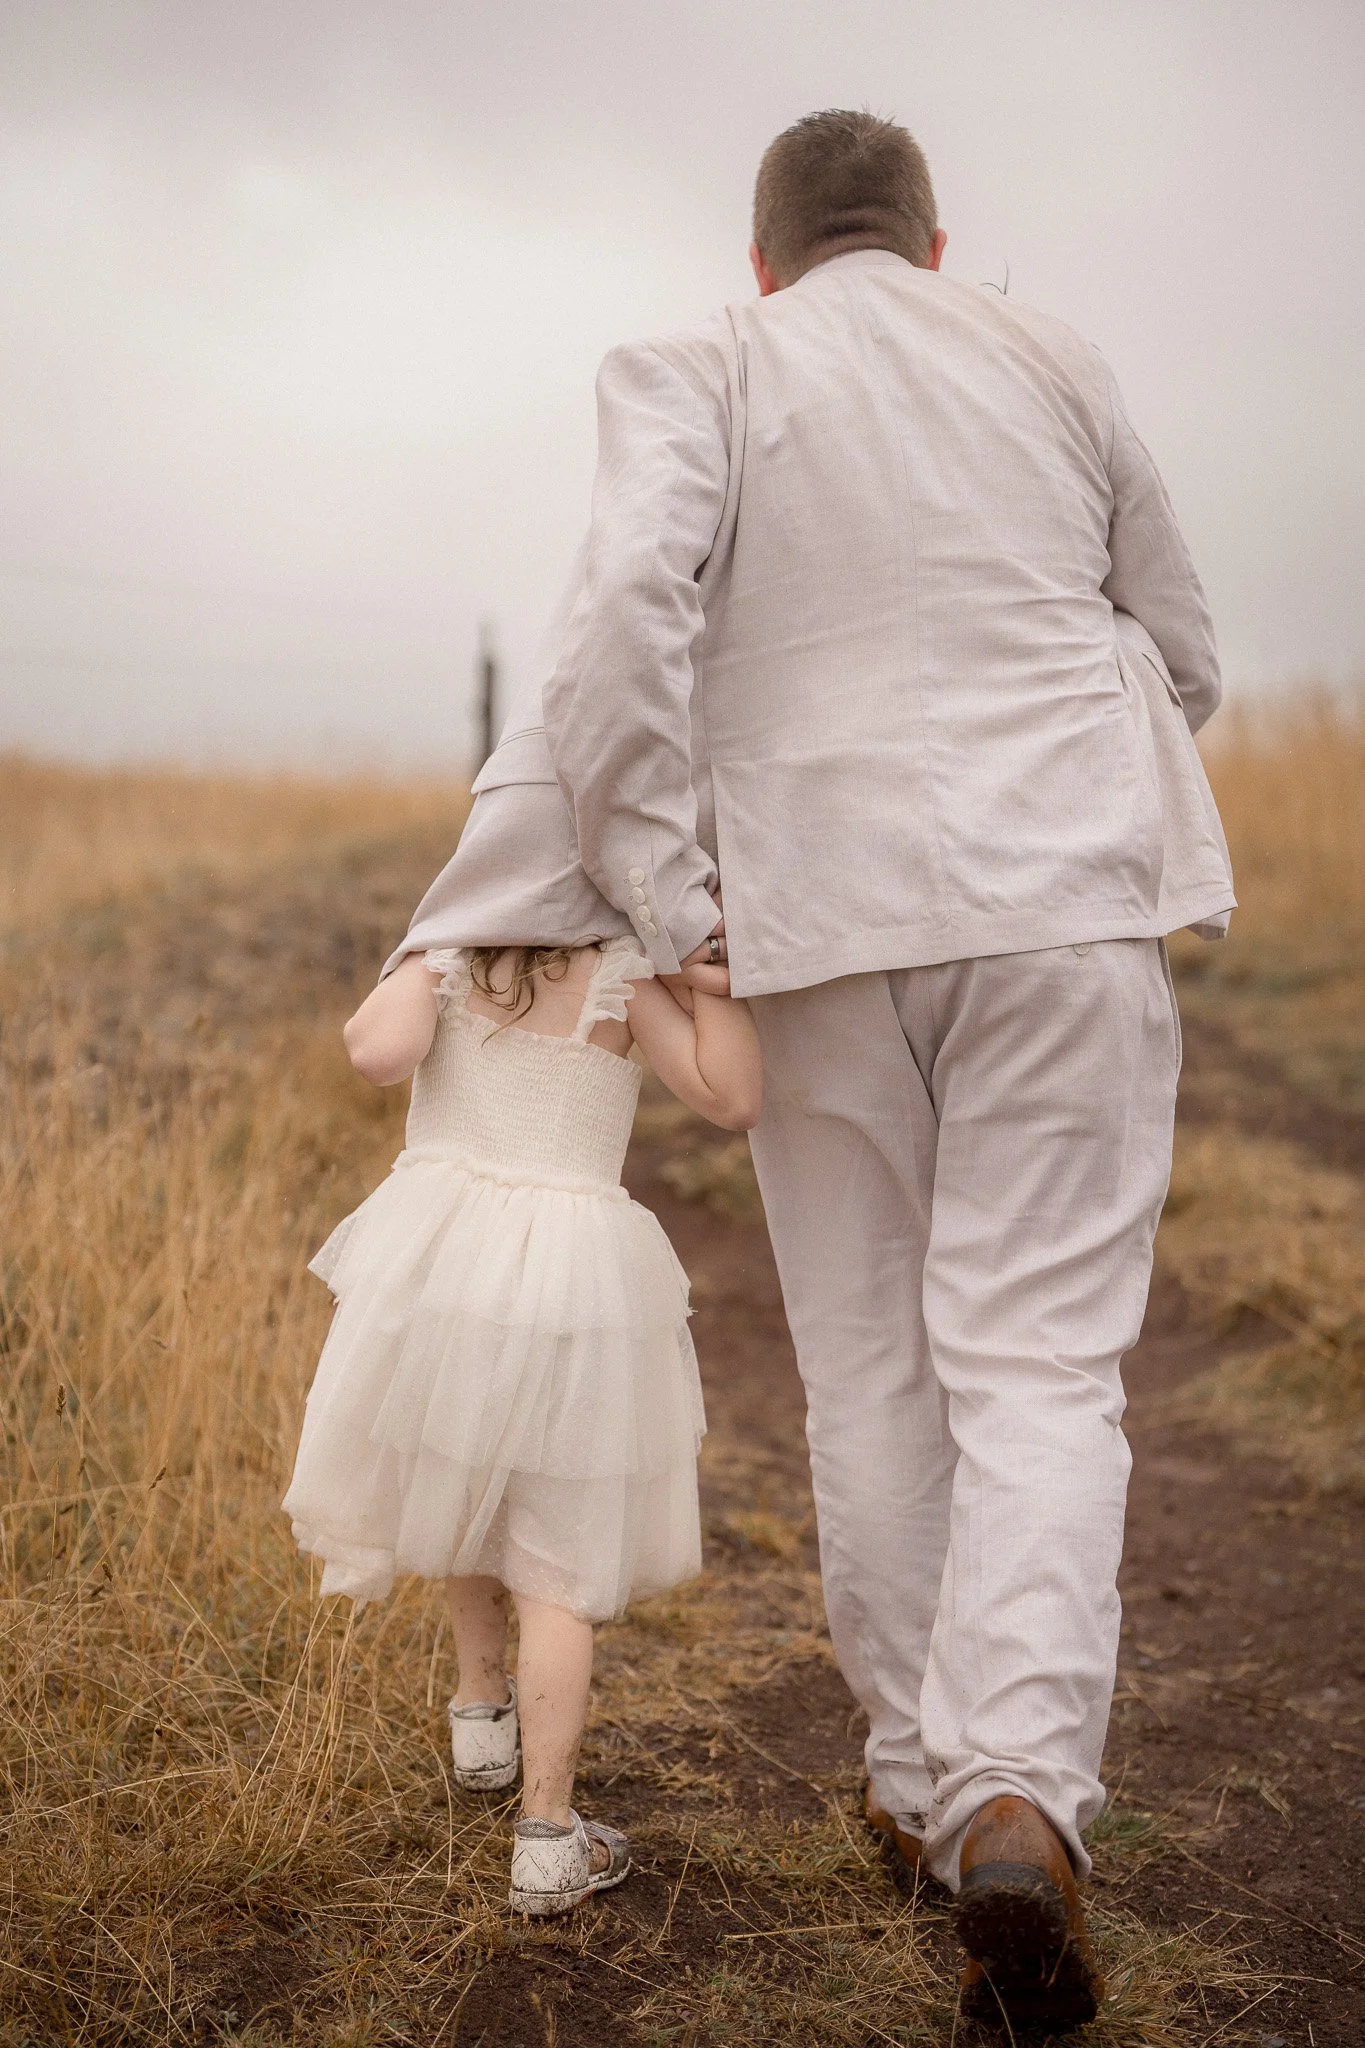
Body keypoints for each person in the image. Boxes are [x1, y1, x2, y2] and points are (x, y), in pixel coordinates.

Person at [381, 110, 1235, 2032]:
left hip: (815, 933)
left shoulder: (703, 359)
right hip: (1062, 922)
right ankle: (1019, 1789)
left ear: (763, 261)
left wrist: (678, 900)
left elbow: (608, 648)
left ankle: (926, 1788)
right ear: (938, 246)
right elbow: (1181, 649)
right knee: (1037, 1358)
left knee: (870, 1361)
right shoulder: (1055, 355)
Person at [282, 931, 762, 1916]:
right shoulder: (626, 974)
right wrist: (719, 980)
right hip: (571, 1276)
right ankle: (545, 1834)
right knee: (557, 1565)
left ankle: (479, 1712)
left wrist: (421, 942)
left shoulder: (452, 955)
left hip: (445, 1264)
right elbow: (731, 1094)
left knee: (464, 1471)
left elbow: (374, 1050)